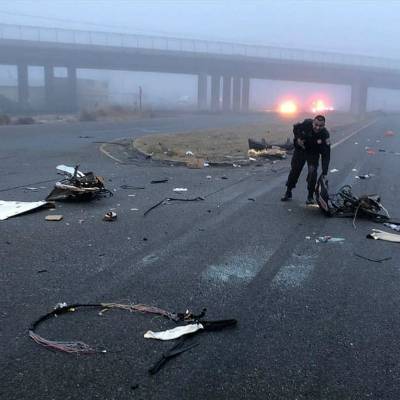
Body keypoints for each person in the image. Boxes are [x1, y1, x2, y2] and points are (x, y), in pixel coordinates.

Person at [281, 115, 331, 204]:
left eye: (321, 126)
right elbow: (295, 128)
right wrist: (298, 138)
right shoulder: (306, 124)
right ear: (313, 122)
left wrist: (324, 172)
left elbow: (326, 155)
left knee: (312, 172)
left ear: (324, 125)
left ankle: (310, 196)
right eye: (316, 124)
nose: (318, 127)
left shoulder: (325, 135)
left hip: (313, 153)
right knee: (295, 170)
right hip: (301, 150)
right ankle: (288, 191)